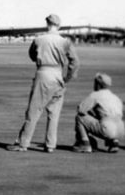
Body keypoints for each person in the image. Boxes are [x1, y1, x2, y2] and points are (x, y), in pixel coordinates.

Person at [8, 14, 80, 153]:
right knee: (54, 113)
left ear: (47, 23)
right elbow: (75, 62)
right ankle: (50, 145)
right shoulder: (65, 41)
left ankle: (23, 143)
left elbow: (32, 55)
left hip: (43, 73)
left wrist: (42, 59)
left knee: (33, 111)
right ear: (59, 25)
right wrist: (67, 77)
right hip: (58, 75)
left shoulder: (38, 39)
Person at [73, 73, 125, 153]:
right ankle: (114, 143)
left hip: (108, 129)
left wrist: (91, 113)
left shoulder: (96, 95)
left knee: (80, 117)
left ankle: (84, 143)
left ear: (98, 84)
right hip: (120, 129)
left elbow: (81, 110)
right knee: (109, 118)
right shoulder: (115, 97)